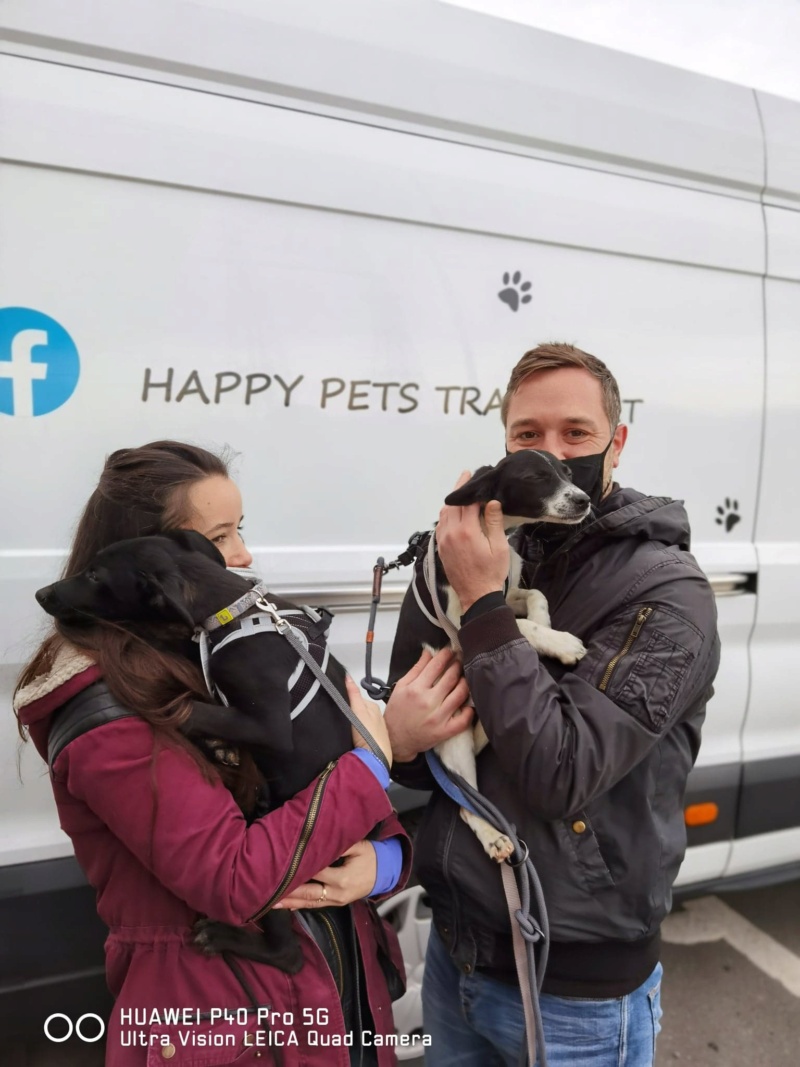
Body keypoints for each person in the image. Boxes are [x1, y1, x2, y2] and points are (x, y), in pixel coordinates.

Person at [13, 440, 469, 1067]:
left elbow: (321, 783)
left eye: (239, 530)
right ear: (149, 564)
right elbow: (235, 879)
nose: (244, 556)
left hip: (334, 995)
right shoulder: (108, 717)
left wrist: (384, 866)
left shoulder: (228, 646)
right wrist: (378, 751)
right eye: (220, 536)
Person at [384, 343, 721, 1067]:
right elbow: (416, 758)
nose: (554, 453)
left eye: (577, 434)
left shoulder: (668, 594)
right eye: (528, 435)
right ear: (504, 444)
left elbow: (560, 770)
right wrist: (402, 733)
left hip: (577, 990)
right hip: (459, 953)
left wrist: (482, 603)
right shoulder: (493, 546)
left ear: (617, 442)